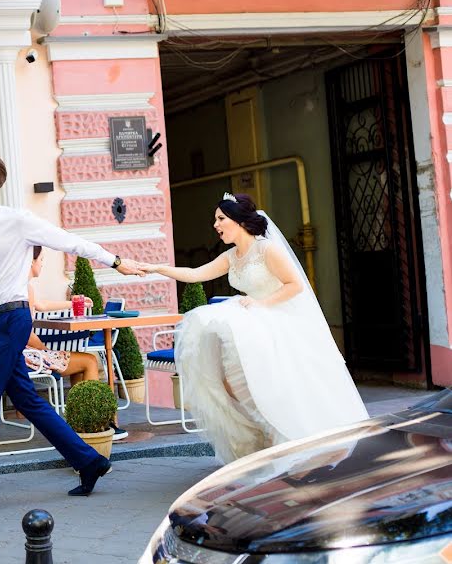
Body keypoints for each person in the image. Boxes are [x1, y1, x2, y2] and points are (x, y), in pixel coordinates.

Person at [0, 153, 147, 513]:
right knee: (29, 401)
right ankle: (90, 461)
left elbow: (69, 241)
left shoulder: (19, 221)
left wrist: (115, 262)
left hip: (15, 318)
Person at [139, 193, 368, 463]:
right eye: (216, 219)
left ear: (238, 220)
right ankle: (263, 430)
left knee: (271, 383)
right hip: (253, 321)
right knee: (228, 379)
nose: (216, 224)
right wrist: (155, 268)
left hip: (277, 320)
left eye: (221, 218)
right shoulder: (231, 256)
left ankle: (284, 435)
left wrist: (262, 304)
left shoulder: (267, 250)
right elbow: (196, 273)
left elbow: (295, 286)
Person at [23, 247, 130, 440]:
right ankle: (98, 425)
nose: (42, 263)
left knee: (79, 363)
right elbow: (25, 334)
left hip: (24, 353)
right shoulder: (23, 288)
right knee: (89, 361)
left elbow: (42, 305)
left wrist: (72, 303)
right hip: (30, 356)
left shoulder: (22, 287)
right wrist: (46, 350)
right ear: (31, 262)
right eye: (41, 259)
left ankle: (81, 423)